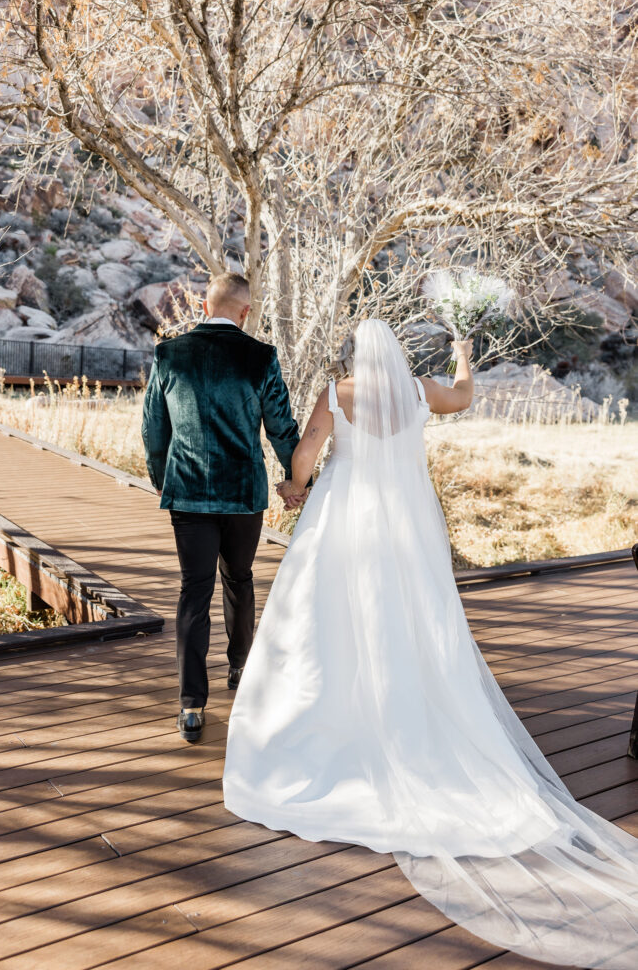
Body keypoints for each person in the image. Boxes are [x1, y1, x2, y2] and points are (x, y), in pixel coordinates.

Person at [223, 320, 638, 968]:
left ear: (355, 355)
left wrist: (293, 484)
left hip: (344, 522)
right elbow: (465, 397)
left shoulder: (338, 395)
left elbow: (306, 452)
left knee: (318, 625)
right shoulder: (419, 393)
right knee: (411, 623)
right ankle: (406, 713)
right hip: (407, 525)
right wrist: (463, 356)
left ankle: (330, 722)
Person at [141, 272, 305, 743]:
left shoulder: (169, 354)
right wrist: (298, 480)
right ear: (245, 312)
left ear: (204, 304)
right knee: (239, 579)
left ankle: (191, 705)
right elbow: (281, 428)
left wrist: (160, 478)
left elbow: (154, 430)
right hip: (242, 495)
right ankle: (240, 671)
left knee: (194, 590)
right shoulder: (260, 357)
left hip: (188, 493)